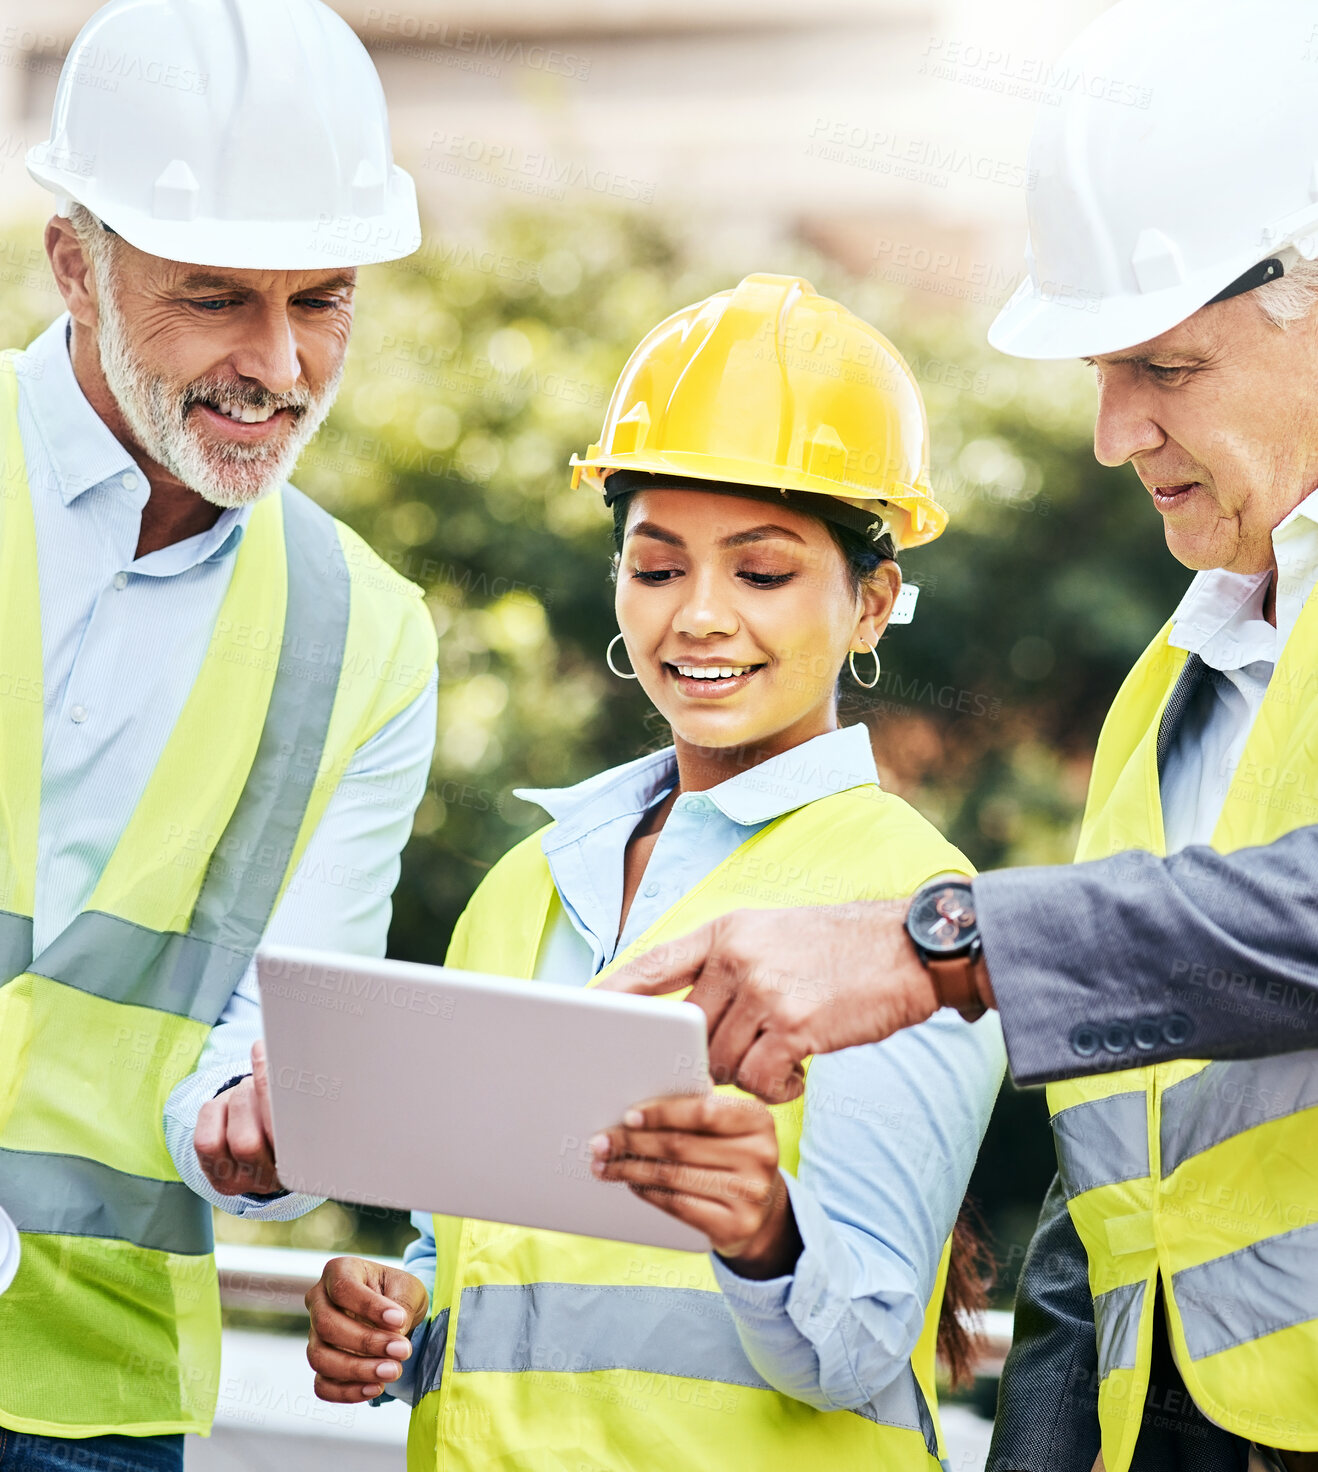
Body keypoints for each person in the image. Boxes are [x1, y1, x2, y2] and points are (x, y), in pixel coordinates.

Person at [607, 2, 1318, 1467]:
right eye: (1098, 375)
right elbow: (1111, 1199)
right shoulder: (1175, 686)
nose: (1113, 432)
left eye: (1163, 369)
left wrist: (935, 945)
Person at [303, 274, 1006, 1469]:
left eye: (763, 571)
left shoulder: (914, 911)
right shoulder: (523, 884)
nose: (699, 616)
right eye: (658, 563)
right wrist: (400, 1314)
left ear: (871, 602)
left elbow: (859, 1346)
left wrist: (766, 1235)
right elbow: (487, 1256)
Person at [0, 2, 436, 1467]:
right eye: (216, 296)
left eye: (323, 300)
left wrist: (268, 1135)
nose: (280, 367)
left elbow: (270, 1055)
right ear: (74, 267)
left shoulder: (367, 634)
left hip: (85, 1387)